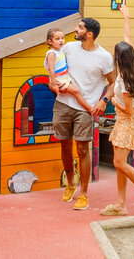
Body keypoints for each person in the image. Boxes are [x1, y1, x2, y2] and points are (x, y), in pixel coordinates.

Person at [99, 3, 134, 216]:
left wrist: (113, 102)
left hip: (129, 118)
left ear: (119, 60)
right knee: (120, 162)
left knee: (118, 162)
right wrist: (126, 17)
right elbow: (128, 38)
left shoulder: (124, 81)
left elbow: (128, 110)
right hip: (126, 119)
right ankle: (120, 204)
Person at [53, 17, 114, 211]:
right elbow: (55, 66)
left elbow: (113, 82)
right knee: (64, 145)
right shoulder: (69, 48)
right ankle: (71, 184)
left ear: (89, 34)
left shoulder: (104, 57)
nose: (75, 29)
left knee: (82, 149)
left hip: (86, 108)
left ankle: (84, 194)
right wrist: (53, 83)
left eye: (80, 27)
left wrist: (103, 101)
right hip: (63, 103)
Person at [45, 28, 93, 113]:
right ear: (50, 42)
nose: (61, 41)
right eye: (57, 39)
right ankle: (90, 109)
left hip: (64, 77)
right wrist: (54, 83)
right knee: (76, 92)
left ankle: (84, 107)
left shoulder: (61, 50)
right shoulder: (52, 53)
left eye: (62, 38)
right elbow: (51, 68)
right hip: (59, 80)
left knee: (76, 90)